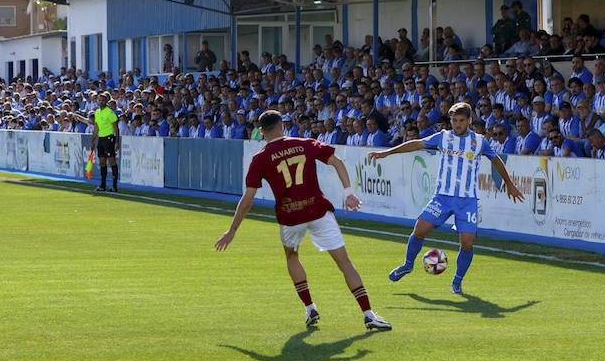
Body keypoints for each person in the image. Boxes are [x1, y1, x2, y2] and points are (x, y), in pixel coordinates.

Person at [215, 110, 391, 331]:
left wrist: (232, 230)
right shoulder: (306, 143)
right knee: (344, 262)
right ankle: (368, 314)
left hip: (290, 217)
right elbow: (337, 161)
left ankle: (310, 308)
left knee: (292, 255)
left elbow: (248, 198)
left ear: (261, 132)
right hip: (318, 210)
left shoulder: (259, 158)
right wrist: (348, 193)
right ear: (282, 127)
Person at [371, 101, 525, 295]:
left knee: (467, 243)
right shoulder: (443, 137)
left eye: (461, 120)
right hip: (442, 197)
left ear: (469, 120)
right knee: (419, 230)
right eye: (454, 120)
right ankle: (407, 265)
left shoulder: (479, 141)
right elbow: (416, 144)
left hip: (467, 200)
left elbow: (496, 160)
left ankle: (457, 281)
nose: (457, 124)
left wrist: (510, 184)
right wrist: (388, 153)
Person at [75, 92, 121, 192]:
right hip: (101, 138)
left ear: (106, 101)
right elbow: (96, 127)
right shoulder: (97, 112)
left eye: (102, 100)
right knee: (102, 162)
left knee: (112, 160)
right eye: (99, 100)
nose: (100, 101)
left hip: (109, 138)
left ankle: (114, 185)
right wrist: (92, 140)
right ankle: (102, 185)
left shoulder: (110, 113)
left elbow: (116, 128)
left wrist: (117, 142)